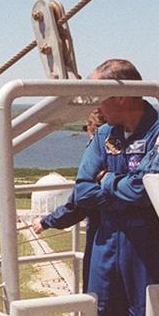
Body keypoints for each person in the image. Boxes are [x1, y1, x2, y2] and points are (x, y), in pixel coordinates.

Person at [72, 59, 159, 316]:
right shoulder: (104, 135)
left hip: (148, 248)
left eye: (101, 97)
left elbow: (148, 190)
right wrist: (124, 189)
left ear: (122, 96)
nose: (97, 107)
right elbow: (84, 190)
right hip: (105, 246)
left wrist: (108, 180)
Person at [33, 108, 104, 285]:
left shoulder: (97, 156)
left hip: (103, 240)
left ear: (91, 127)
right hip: (134, 238)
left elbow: (79, 204)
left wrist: (45, 222)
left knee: (100, 298)